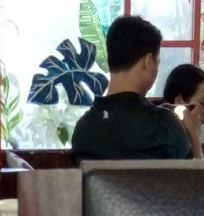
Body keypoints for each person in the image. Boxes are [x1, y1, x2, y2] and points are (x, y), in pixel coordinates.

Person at [70, 15, 192, 163]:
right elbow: (194, 176)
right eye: (157, 62)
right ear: (148, 61)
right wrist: (193, 135)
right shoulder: (164, 125)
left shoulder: (83, 128)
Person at [160, 63, 204, 159]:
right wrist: (194, 135)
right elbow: (200, 168)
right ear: (179, 101)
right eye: (202, 103)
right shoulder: (165, 138)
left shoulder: (184, 132)